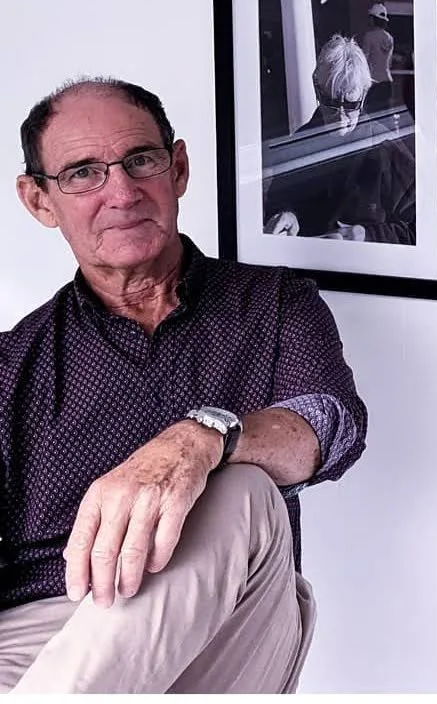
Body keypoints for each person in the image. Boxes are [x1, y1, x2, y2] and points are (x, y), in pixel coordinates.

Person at [8, 76, 367, 692]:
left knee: (244, 488)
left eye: (140, 160)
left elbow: (330, 430)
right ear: (40, 201)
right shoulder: (16, 362)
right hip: (42, 634)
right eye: (82, 173)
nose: (120, 192)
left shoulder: (275, 303)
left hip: (229, 625)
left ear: (177, 169)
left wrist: (202, 438)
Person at [264, 35, 415, 244]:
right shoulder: (300, 142)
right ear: (318, 90)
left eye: (351, 104)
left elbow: (421, 230)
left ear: (363, 95)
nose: (341, 116)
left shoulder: (388, 151)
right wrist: (287, 214)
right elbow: (278, 200)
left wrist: (365, 235)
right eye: (330, 102)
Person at [359, 2, 394, 117]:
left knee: (372, 116)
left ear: (374, 19)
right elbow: (389, 62)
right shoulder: (389, 38)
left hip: (374, 82)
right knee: (385, 115)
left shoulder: (369, 36)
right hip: (387, 81)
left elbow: (363, 60)